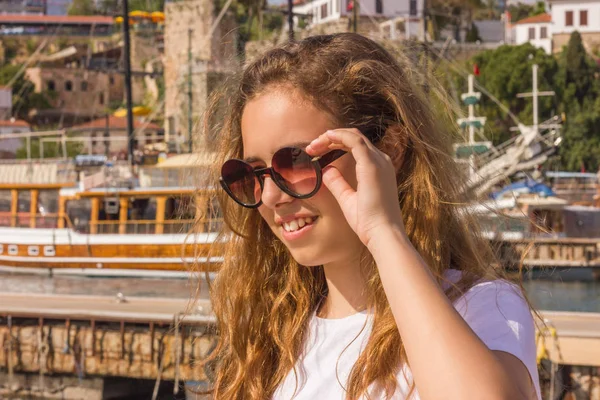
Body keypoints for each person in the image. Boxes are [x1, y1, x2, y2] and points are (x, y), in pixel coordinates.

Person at [198, 33, 541, 400]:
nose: (270, 195)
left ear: (389, 150)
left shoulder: (481, 307)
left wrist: (383, 233)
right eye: (251, 174)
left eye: (295, 162)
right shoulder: (273, 336)